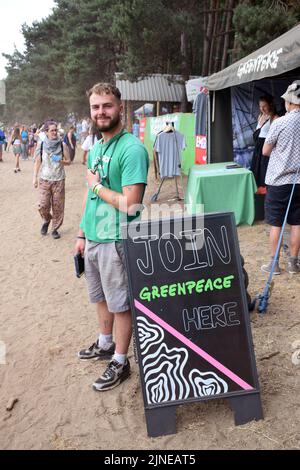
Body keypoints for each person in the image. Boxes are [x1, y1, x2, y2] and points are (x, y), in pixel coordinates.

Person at [75, 82, 149, 392]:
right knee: (101, 297)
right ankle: (105, 343)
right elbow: (90, 196)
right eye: (95, 107)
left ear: (120, 107)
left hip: (117, 238)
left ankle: (120, 360)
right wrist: (81, 233)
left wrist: (94, 186)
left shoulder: (132, 148)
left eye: (107, 106)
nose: (101, 112)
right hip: (94, 237)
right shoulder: (98, 147)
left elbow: (131, 203)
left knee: (120, 304)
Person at [261, 81, 300, 275]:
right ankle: (294, 263)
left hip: (279, 181)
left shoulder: (280, 122)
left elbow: (265, 150)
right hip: (299, 182)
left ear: (291, 103)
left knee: (276, 223)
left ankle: (274, 264)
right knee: (297, 223)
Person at [33, 120, 71, 239]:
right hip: (44, 179)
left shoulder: (62, 145)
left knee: (58, 206)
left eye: (56, 130)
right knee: (43, 205)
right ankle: (46, 220)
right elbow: (38, 161)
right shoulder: (42, 145)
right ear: (46, 132)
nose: (54, 132)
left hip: (59, 180)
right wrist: (34, 177)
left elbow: (68, 161)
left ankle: (55, 229)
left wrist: (60, 160)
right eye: (52, 130)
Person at [250, 95, 278, 189]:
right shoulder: (261, 116)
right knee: (256, 171)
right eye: (260, 106)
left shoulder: (275, 118)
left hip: (266, 147)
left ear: (270, 105)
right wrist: (260, 123)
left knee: (264, 172)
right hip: (258, 147)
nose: (262, 108)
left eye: (264, 106)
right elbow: (256, 134)